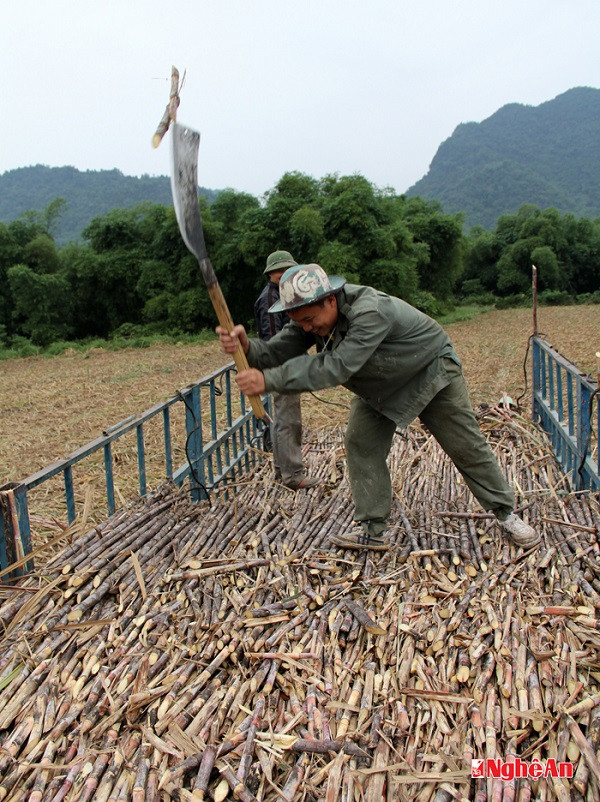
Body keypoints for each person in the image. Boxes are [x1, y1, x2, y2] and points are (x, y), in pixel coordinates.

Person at [218, 264, 540, 551]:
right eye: (298, 322)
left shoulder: (370, 311)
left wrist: (268, 380)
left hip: (429, 373)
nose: (306, 328)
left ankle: (507, 514)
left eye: (309, 320)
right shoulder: (310, 318)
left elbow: (336, 366)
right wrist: (247, 347)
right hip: (380, 384)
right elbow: (276, 352)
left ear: (330, 299)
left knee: (465, 445)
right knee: (361, 442)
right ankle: (373, 531)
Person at [253, 251, 318, 490]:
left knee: (283, 418)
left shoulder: (280, 294)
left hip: (283, 365)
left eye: (288, 269)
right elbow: (274, 340)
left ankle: (283, 471)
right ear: (271, 273)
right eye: (281, 271)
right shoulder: (271, 300)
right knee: (289, 420)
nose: (285, 274)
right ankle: (293, 474)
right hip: (282, 367)